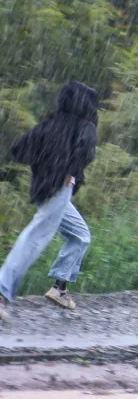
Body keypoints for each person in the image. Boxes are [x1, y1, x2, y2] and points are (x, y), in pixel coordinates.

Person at [0, 81, 99, 323]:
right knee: (34, 238)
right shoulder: (84, 125)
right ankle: (1, 292)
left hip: (46, 187)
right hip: (60, 188)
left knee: (80, 235)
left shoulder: (52, 123)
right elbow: (86, 152)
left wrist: (46, 165)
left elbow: (19, 149)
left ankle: (59, 289)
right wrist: (68, 170)